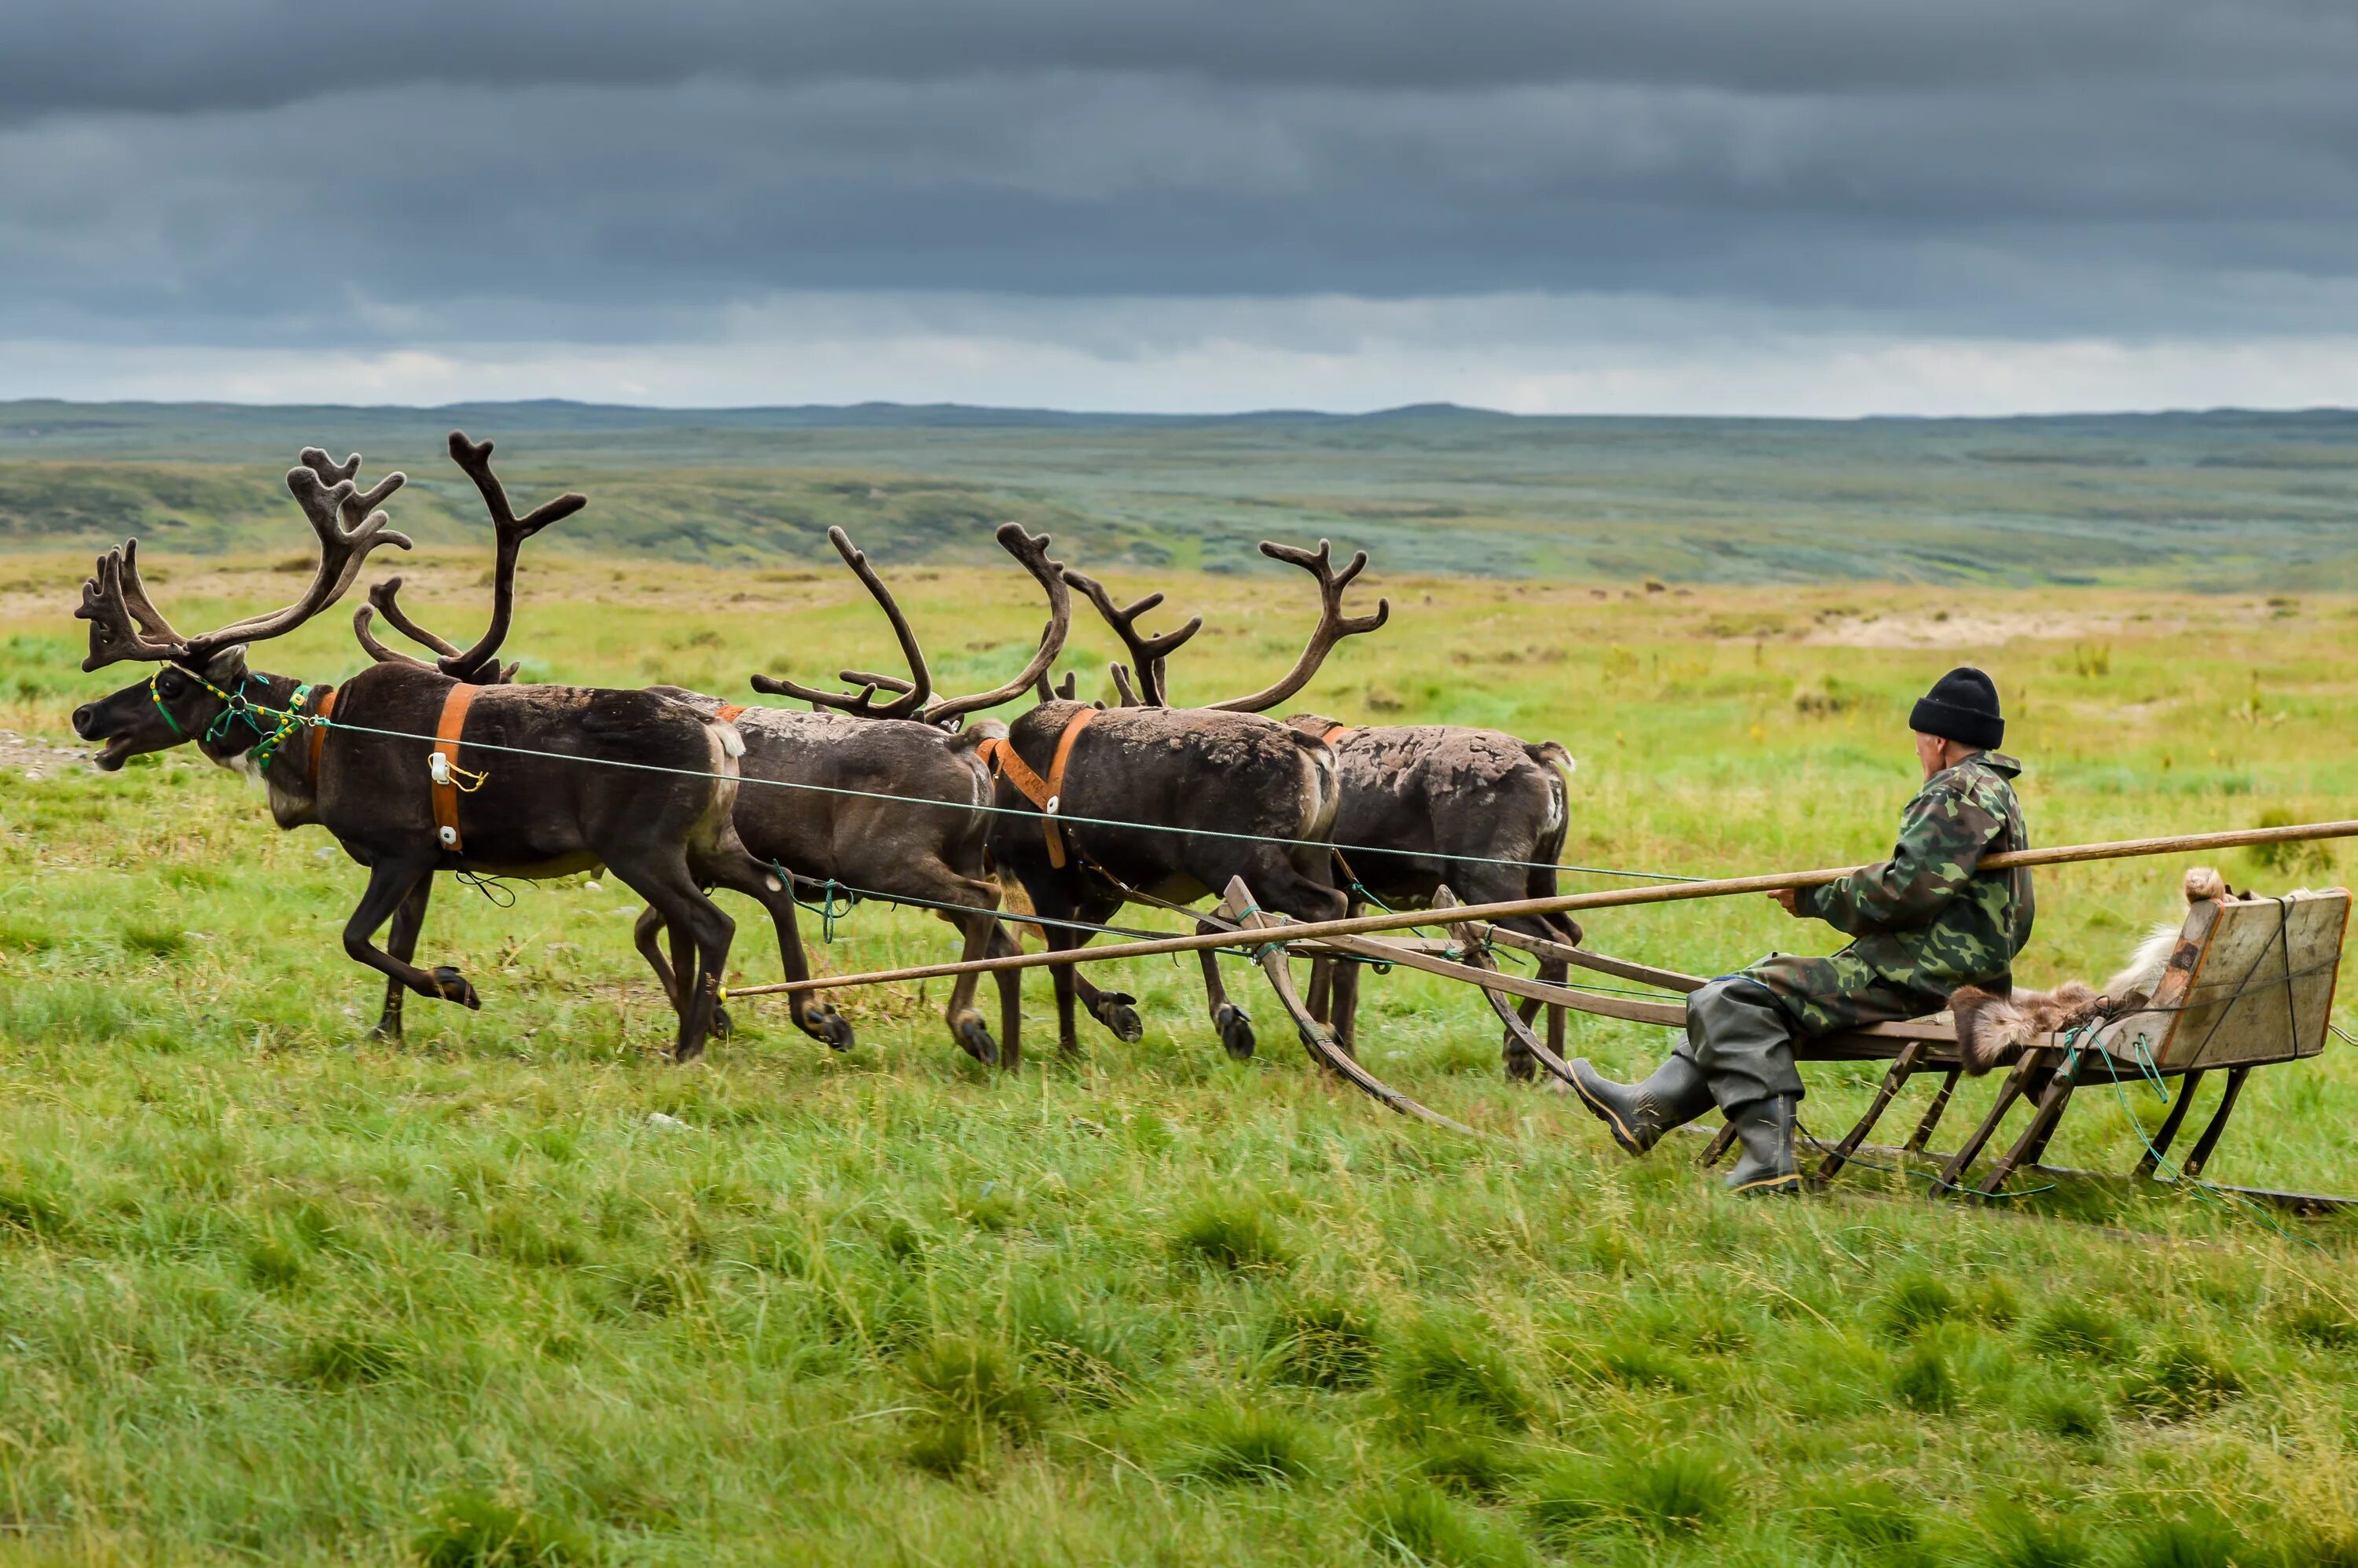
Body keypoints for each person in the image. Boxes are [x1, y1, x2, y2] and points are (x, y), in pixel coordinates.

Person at [1570, 666, 2034, 1195]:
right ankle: (1644, 1110)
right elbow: (1977, 901)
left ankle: (1769, 1161)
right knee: (1747, 987)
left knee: (1732, 998)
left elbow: (1908, 889)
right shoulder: (1998, 791)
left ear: (1938, 737)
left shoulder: (1957, 790)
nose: (1918, 752)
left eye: (1918, 741)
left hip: (1918, 980)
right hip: (1955, 972)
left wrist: (1817, 897)